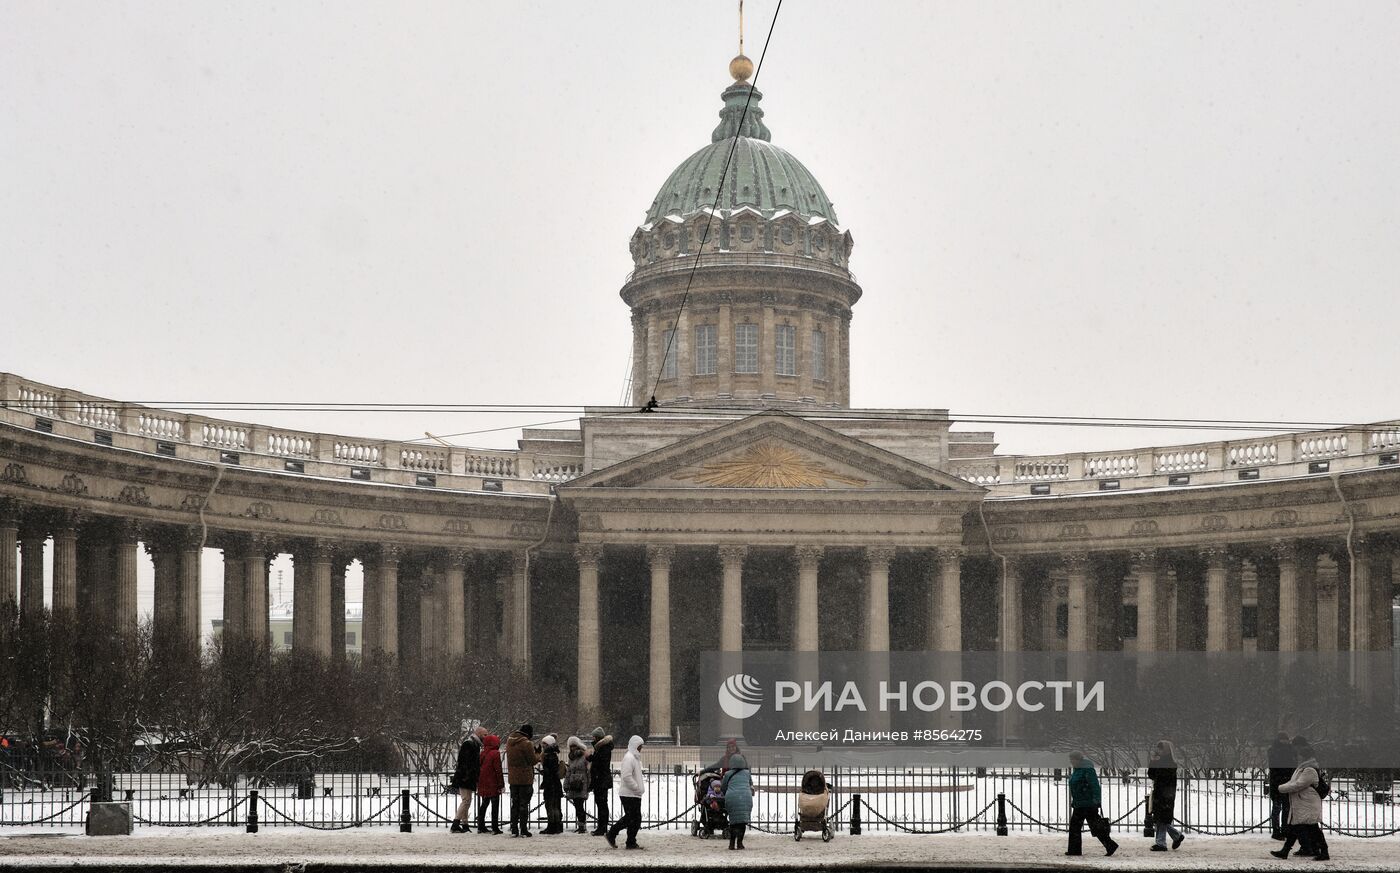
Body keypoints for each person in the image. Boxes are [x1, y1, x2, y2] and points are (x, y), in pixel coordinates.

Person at [1271, 742, 1330, 862]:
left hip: (1307, 804)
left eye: (1299, 756)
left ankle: (1324, 852)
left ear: (1304, 757)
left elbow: (1298, 785)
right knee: (1295, 827)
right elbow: (1293, 782)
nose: (1297, 758)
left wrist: (1280, 788)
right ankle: (1285, 851)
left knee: (1313, 829)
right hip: (1302, 804)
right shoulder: (1302, 769)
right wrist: (1282, 786)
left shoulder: (1309, 770)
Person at [1066, 751, 1119, 857]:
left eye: (1073, 759)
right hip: (1080, 804)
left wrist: (1096, 800)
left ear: (1079, 760)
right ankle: (1109, 845)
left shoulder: (1087, 770)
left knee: (1086, 827)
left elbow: (1094, 785)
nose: (1072, 762)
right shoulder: (1078, 770)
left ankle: (1075, 850)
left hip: (1088, 803)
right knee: (1089, 827)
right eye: (1071, 759)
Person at [605, 735, 645, 850]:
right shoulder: (630, 758)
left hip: (632, 794)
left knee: (634, 818)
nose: (641, 748)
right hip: (629, 793)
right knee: (632, 818)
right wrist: (636, 788)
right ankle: (614, 834)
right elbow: (627, 776)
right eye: (639, 746)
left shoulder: (633, 758)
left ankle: (630, 840)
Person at [1147, 740, 1185, 851]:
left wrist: (1156, 763)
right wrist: (1153, 762)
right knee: (1161, 818)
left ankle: (1161, 843)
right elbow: (1151, 775)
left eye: (1160, 748)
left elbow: (1163, 778)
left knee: (1162, 818)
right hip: (1160, 793)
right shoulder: (1161, 761)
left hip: (1166, 794)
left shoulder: (1170, 763)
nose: (1158, 750)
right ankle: (1176, 836)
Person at [505, 723, 541, 837]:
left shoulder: (509, 742)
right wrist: (538, 754)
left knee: (514, 804)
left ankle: (514, 828)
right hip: (525, 778)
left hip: (513, 778)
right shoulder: (526, 743)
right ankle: (523, 829)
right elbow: (533, 761)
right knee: (523, 804)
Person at [448, 726, 483, 833]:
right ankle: (456, 823)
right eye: (485, 735)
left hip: (466, 776)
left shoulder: (473, 744)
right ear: (479, 734)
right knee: (466, 801)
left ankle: (465, 824)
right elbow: (465, 762)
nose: (486, 737)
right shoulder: (470, 744)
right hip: (466, 777)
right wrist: (469, 775)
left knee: (466, 801)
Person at [721, 752, 754, 850]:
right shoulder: (747, 773)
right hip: (746, 797)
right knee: (742, 822)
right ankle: (740, 843)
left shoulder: (727, 774)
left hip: (732, 798)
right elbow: (750, 784)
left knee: (733, 822)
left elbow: (723, 787)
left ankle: (731, 844)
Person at [1268, 732, 1297, 841]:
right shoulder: (1281, 750)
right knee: (1280, 808)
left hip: (1281, 782)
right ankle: (1278, 831)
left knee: (1283, 808)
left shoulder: (1277, 750)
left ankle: (1282, 830)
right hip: (1280, 782)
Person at [475, 732, 504, 835]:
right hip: (493, 782)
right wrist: (501, 784)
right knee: (495, 805)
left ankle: (480, 826)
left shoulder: (483, 753)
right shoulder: (495, 753)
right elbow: (498, 770)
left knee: (484, 803)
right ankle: (495, 827)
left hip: (483, 781)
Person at [589, 727, 614, 836]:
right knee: (601, 804)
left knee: (602, 804)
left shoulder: (603, 748)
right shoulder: (601, 748)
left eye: (594, 737)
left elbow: (600, 763)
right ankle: (601, 826)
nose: (593, 739)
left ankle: (602, 827)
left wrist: (590, 757)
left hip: (601, 780)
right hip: (600, 779)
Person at [563, 736, 592, 834]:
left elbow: (588, 771)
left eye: (574, 746)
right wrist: (566, 784)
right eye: (571, 746)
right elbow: (569, 771)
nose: (572, 748)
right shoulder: (571, 757)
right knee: (577, 805)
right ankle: (580, 825)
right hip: (573, 783)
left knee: (580, 805)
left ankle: (582, 825)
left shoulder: (584, 756)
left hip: (582, 783)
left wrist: (589, 784)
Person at [539, 734, 565, 834]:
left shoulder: (549, 756)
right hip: (554, 784)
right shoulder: (553, 754)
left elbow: (551, 771)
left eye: (544, 744)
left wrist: (544, 770)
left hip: (551, 784)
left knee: (551, 805)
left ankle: (552, 826)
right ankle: (557, 826)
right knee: (555, 805)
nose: (542, 746)